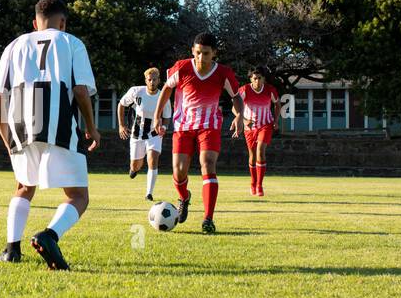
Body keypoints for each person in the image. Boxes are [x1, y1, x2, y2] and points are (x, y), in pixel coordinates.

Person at [0, 0, 100, 270]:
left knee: (24, 187)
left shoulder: (14, 45)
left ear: (34, 23)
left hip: (21, 126)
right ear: (62, 22)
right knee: (78, 195)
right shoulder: (71, 42)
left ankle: (11, 250)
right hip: (59, 124)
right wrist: (91, 126)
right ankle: (50, 236)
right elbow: (80, 90)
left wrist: (7, 140)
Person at [152, 32, 244, 233]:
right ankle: (184, 198)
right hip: (183, 126)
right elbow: (167, 89)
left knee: (208, 164)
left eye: (206, 53)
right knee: (179, 171)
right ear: (193, 51)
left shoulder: (223, 73)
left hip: (209, 126)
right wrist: (157, 116)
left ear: (214, 54)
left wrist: (239, 115)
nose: (201, 57)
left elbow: (236, 97)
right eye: (198, 53)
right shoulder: (183, 67)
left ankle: (208, 219)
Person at [118, 67, 172, 201]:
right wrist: (121, 125)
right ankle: (134, 169)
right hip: (137, 134)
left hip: (154, 133)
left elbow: (167, 116)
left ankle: (149, 193)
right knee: (136, 165)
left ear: (159, 80)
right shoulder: (136, 91)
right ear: (145, 81)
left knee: (153, 160)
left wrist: (164, 126)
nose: (152, 82)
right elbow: (121, 104)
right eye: (150, 80)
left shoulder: (163, 96)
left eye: (155, 79)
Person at [237, 66, 281, 197]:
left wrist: (276, 120)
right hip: (249, 127)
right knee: (252, 155)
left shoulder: (270, 90)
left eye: (260, 78)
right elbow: (235, 106)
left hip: (265, 125)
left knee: (260, 151)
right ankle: (253, 182)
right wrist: (243, 120)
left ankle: (259, 185)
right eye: (255, 78)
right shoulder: (244, 90)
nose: (257, 81)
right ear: (251, 79)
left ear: (264, 79)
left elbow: (277, 104)